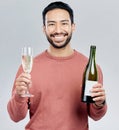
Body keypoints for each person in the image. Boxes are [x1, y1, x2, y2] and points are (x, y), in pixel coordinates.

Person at [7, 1, 107, 130]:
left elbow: (96, 116)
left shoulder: (90, 68)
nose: (58, 30)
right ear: (44, 29)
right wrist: (18, 96)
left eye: (64, 23)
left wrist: (100, 103)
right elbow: (15, 117)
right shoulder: (28, 68)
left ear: (73, 27)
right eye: (51, 24)